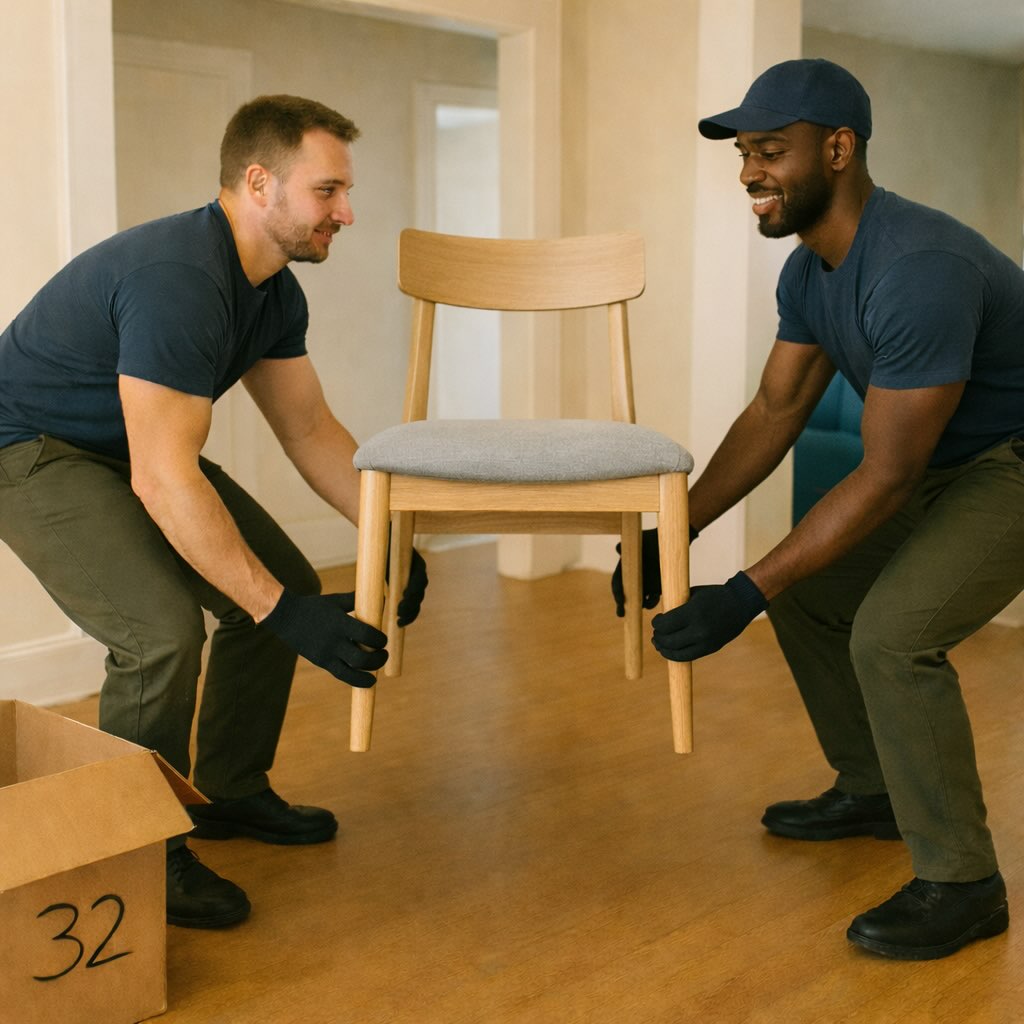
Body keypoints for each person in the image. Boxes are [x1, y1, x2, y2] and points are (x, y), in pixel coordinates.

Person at [615, 58, 1024, 960]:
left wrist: (741, 592)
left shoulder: (917, 266)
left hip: (1010, 465)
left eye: (770, 151)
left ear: (838, 150)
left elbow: (884, 476)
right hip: (946, 463)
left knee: (892, 635)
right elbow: (775, 410)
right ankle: (876, 788)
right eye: (744, 155)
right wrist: (671, 534)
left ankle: (965, 883)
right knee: (815, 592)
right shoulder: (810, 273)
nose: (750, 173)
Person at [0, 95, 427, 929]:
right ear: (259, 183)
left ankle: (229, 791)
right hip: (30, 448)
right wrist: (283, 615)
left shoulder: (271, 291)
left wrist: (389, 537)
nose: (348, 212)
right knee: (159, 631)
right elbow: (164, 479)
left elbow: (310, 430)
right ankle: (138, 853)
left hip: (129, 444)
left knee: (286, 582)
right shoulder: (180, 280)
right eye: (328, 191)